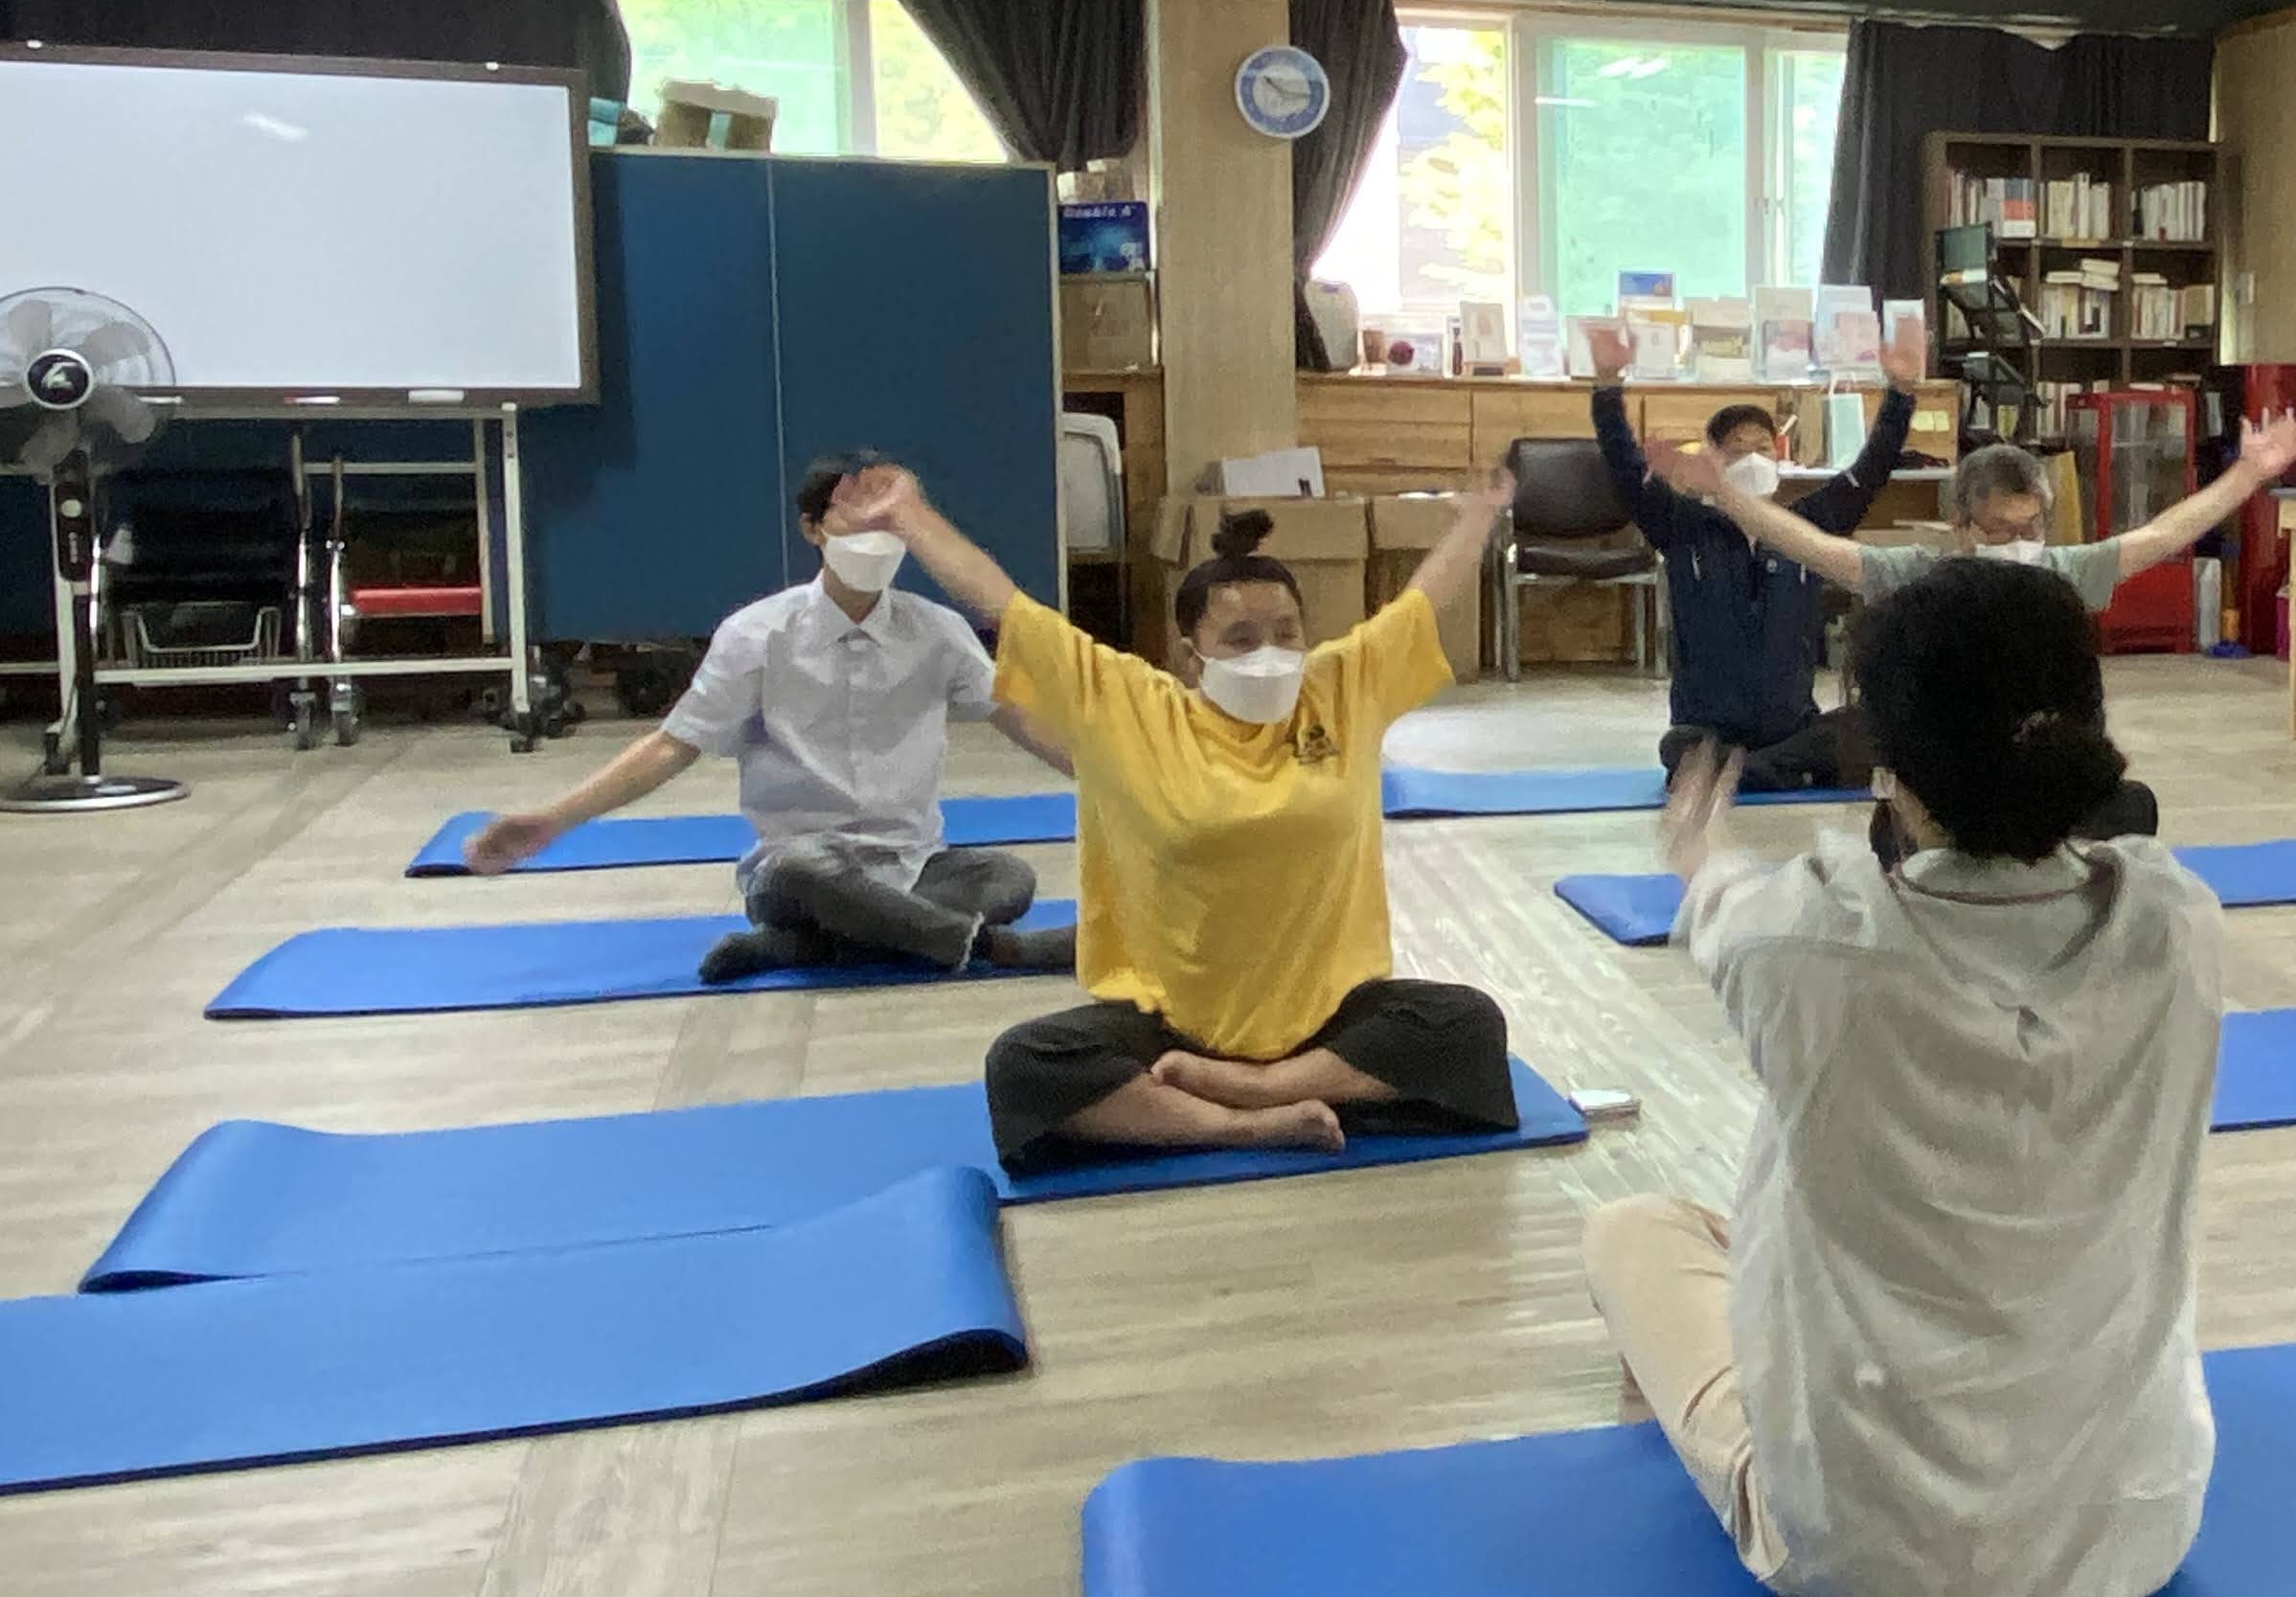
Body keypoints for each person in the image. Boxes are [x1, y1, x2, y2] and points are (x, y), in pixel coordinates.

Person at [1580, 558, 2221, 1597]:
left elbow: (1727, 908)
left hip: (1870, 1556)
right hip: (2132, 1526)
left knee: (1631, 1230)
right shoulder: (2177, 921)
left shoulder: (1810, 937)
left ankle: (1735, 1472)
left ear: (1891, 763)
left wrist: (1698, 852)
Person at [820, 461, 1526, 1164]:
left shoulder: (1341, 689)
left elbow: (1422, 605)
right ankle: (1240, 1126)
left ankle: (1264, 1089)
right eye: (1240, 638)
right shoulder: (1129, 707)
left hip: (1328, 1022)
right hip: (1172, 1028)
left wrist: (1477, 517)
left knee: (1467, 1023)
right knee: (1024, 1064)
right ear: (1192, 656)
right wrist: (909, 516)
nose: (1269, 653)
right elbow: (1007, 607)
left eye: (1286, 632)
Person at [462, 448, 1075, 984]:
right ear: (812, 528)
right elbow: (673, 745)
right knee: (803, 873)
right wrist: (553, 820)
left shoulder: (938, 632)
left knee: (1009, 878)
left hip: (913, 865)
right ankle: (991, 948)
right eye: (854, 515)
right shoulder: (756, 634)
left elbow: (1021, 719)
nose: (874, 534)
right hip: (799, 867)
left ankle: (804, 948)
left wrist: (1112, 778)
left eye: (888, 519)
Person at [1650, 406, 2296, 844]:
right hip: (1956, 785)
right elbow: (1817, 549)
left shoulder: (2061, 571)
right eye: (1998, 530)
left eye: (2030, 527)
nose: (2017, 543)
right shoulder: (1922, 573)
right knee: (1888, 795)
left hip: (2033, 775)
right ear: (1962, 527)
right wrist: (1726, 494)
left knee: (2131, 806)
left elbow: (2164, 535)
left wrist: (2249, 472)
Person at [1589, 316, 1925, 789]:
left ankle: (1748, 772)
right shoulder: (1681, 524)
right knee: (1680, 749)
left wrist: (1901, 394)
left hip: (1793, 727)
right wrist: (1607, 386)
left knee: (1865, 730)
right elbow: (1624, 467)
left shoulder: (1809, 525)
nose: (1750, 458)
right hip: (1707, 730)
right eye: (1735, 449)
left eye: (1761, 448)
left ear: (1778, 455)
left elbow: (1870, 472)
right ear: (1710, 457)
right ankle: (1771, 771)